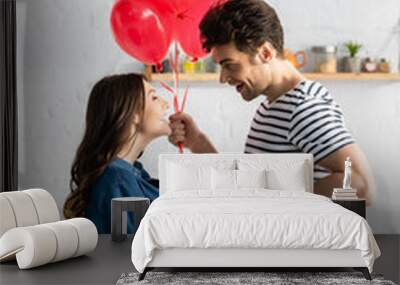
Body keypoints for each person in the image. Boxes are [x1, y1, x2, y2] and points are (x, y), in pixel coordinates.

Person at [169, 0, 375, 204]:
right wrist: (197, 142)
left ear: (265, 53)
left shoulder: (303, 108)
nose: (223, 78)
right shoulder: (273, 104)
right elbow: (246, 187)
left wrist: (271, 197)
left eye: (229, 65)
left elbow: (361, 185)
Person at [63, 73, 170, 233]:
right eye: (154, 98)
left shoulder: (130, 173)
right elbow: (132, 253)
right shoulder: (118, 180)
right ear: (133, 114)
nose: (166, 104)